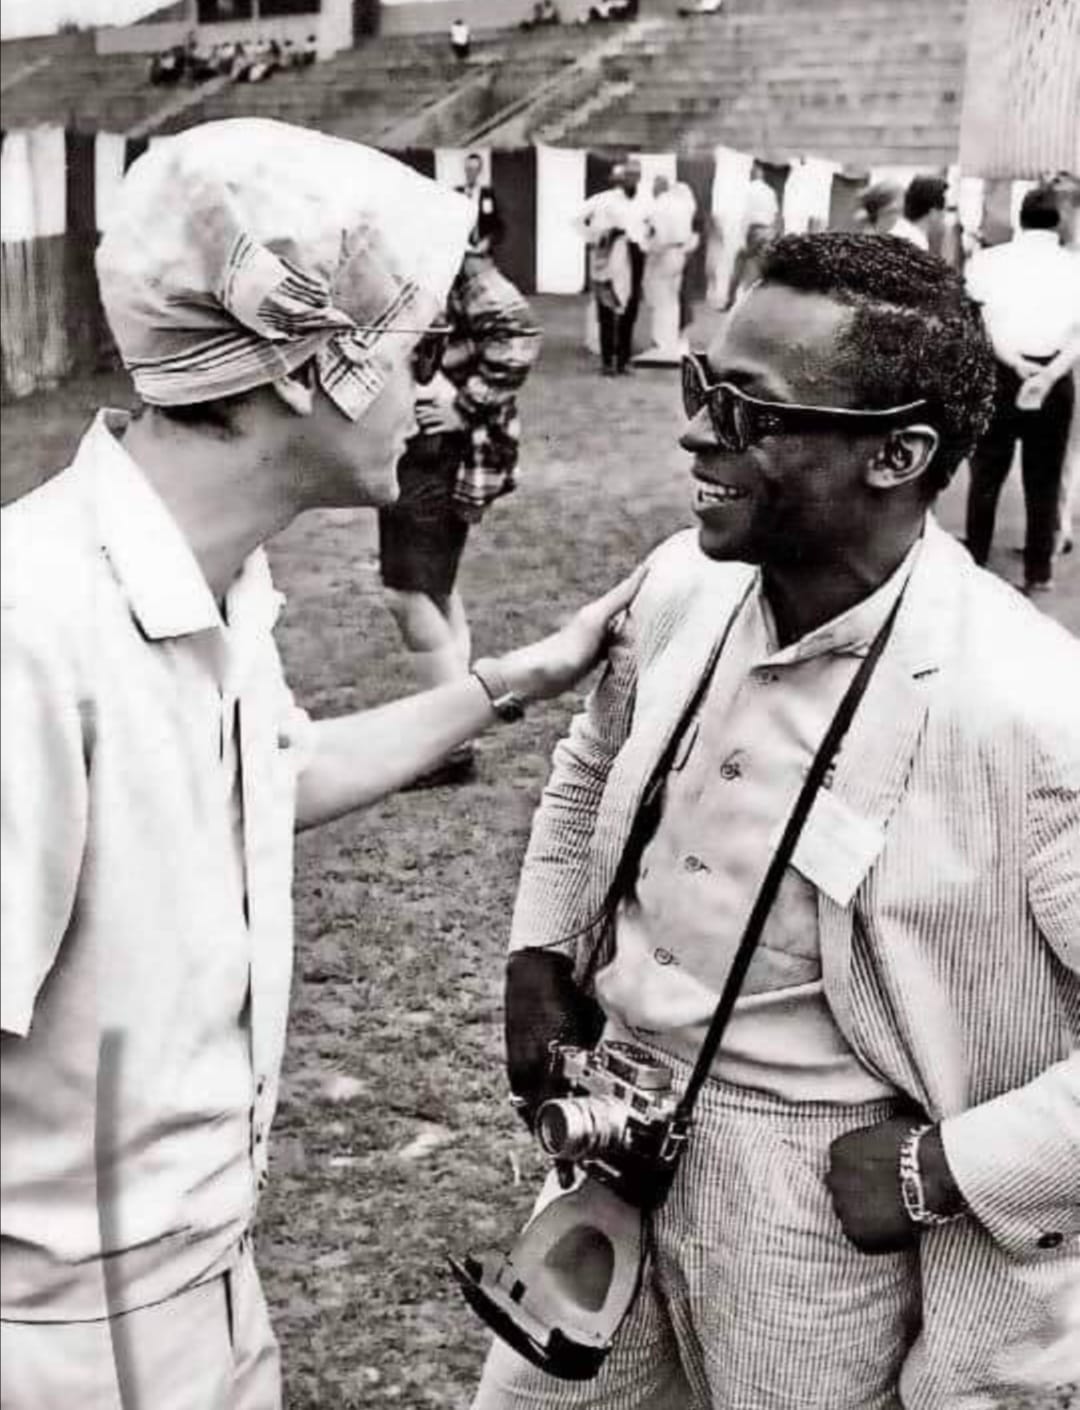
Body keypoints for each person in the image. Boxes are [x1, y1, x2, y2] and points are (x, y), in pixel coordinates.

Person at [0, 119, 638, 1410]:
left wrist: (516, 676)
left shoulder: (206, 580)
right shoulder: (32, 632)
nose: (429, 394)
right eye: (408, 356)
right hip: (54, 1328)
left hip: (200, 1278)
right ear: (305, 369)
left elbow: (265, 783)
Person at [473, 232, 1079, 1409]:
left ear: (899, 453)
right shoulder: (683, 581)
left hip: (811, 1199)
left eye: (748, 408)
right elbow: (589, 767)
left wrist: (943, 1169)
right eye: (704, 387)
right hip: (606, 1127)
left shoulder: (1033, 709)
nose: (696, 430)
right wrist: (541, 950)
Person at [378, 249, 541, 787]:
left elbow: (517, 332)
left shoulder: (448, 257)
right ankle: (457, 722)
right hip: (423, 446)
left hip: (439, 449)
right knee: (435, 588)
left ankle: (450, 744)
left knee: (407, 593)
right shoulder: (415, 256)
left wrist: (467, 404)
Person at [964, 184, 1080, 594]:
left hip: (1001, 372)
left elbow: (979, 323)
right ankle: (1038, 572)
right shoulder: (1075, 266)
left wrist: (1014, 362)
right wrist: (1048, 375)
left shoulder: (988, 261)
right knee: (1044, 478)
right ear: (1060, 222)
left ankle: (975, 561)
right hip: (1055, 376)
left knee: (986, 474)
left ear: (1021, 219)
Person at [578, 159, 647, 376]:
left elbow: (650, 225)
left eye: (636, 174)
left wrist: (646, 242)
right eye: (628, 174)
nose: (631, 179)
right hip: (610, 254)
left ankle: (623, 359)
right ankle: (608, 361)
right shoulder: (605, 200)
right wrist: (595, 238)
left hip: (635, 255)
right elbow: (576, 218)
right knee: (607, 305)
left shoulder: (645, 200)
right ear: (621, 177)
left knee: (630, 307)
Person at [639, 174, 698, 363]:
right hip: (679, 252)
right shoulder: (681, 205)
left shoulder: (658, 207)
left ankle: (661, 345)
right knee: (672, 300)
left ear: (657, 188)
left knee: (659, 299)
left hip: (662, 254)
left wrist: (646, 247)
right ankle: (671, 342)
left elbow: (657, 235)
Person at [725, 160, 780, 307]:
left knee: (740, 261)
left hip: (754, 230)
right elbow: (775, 215)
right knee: (763, 266)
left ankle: (730, 298)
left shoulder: (747, 190)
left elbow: (745, 216)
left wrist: (741, 239)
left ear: (754, 172)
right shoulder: (770, 191)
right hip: (768, 230)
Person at [457, 151, 506, 257]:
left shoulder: (488, 194)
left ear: (479, 171)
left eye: (475, 169)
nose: (471, 173)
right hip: (460, 253)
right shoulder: (456, 194)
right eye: (469, 169)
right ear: (464, 170)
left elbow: (498, 226)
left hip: (482, 252)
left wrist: (488, 241)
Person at [891, 174, 948, 252]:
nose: (944, 216)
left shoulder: (896, 230)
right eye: (944, 210)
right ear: (933, 213)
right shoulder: (917, 243)